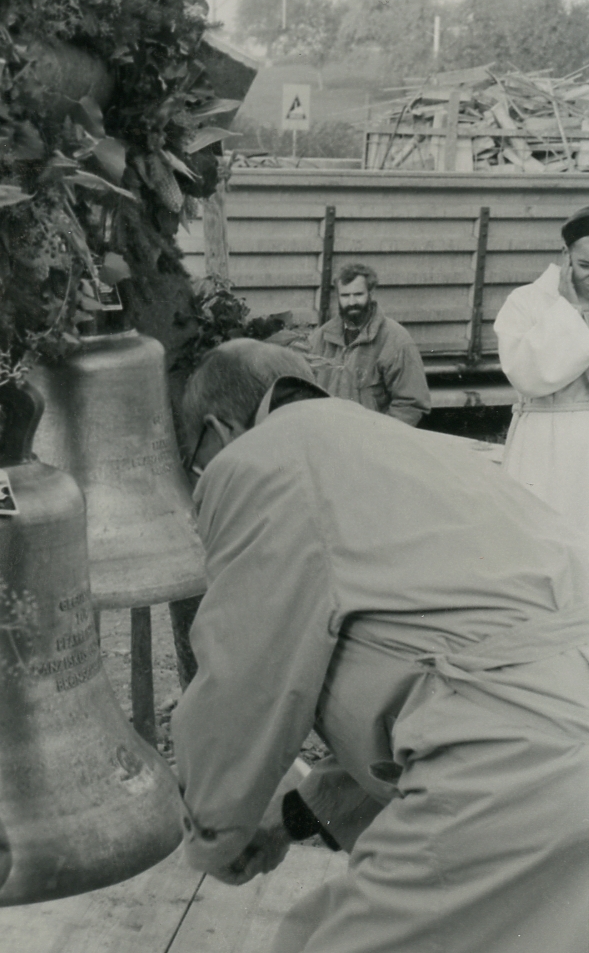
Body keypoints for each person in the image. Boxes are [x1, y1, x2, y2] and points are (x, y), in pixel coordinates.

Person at [172, 338, 589, 953]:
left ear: (217, 430)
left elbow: (244, 678)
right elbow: (453, 673)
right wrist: (292, 816)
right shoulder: (399, 447)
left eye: (195, 464)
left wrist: (213, 835)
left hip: (516, 767)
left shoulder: (258, 461)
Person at [494, 206, 589, 538]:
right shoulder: (526, 301)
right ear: (565, 255)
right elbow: (528, 375)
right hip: (545, 439)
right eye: (586, 266)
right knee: (543, 535)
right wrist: (568, 311)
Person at [308, 262, 430, 426]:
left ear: (371, 293)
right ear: (338, 297)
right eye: (345, 295)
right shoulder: (320, 338)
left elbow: (410, 404)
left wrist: (380, 436)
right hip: (330, 435)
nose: (352, 302)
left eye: (358, 294)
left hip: (371, 437)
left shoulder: (396, 340)